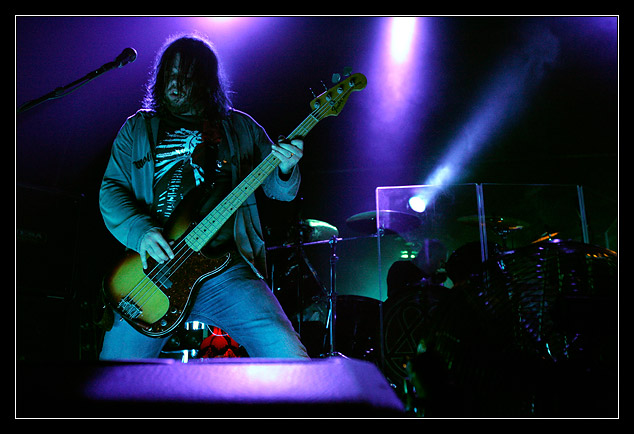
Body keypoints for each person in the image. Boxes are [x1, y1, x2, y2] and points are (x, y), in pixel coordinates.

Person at [98, 33, 309, 359]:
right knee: (113, 374)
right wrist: (141, 232)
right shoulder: (137, 129)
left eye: (185, 76)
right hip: (152, 272)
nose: (174, 83)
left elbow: (280, 191)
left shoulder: (240, 128)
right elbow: (111, 191)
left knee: (287, 351)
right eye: (169, 74)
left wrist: (286, 167)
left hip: (224, 271)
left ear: (206, 82)